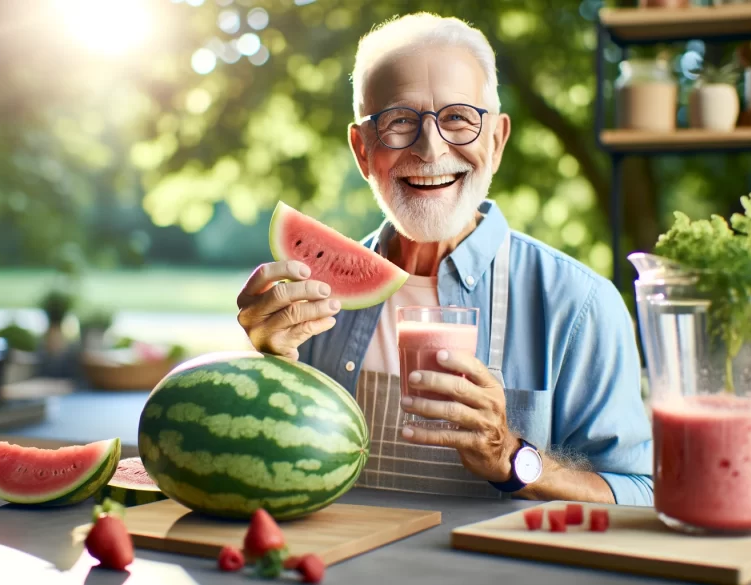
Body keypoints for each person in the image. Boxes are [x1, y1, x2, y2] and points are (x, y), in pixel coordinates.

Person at [236, 13, 653, 506]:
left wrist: (512, 457)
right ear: (362, 150)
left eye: (458, 118)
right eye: (398, 121)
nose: (431, 150)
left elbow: (639, 493)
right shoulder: (309, 299)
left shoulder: (580, 303)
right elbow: (261, 469)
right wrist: (266, 370)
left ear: (496, 141)